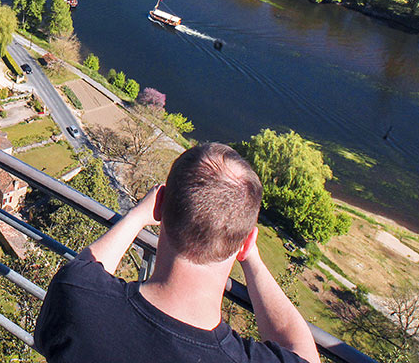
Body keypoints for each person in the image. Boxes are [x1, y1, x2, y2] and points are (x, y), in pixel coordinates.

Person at [35, 143, 319, 363]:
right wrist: (252, 258)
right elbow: (302, 352)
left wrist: (136, 217)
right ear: (244, 243)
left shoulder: (77, 297)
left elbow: (87, 267)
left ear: (159, 206)